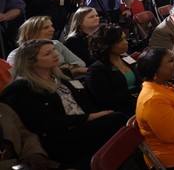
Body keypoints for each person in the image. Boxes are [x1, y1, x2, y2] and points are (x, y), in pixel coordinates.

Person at [1, 39, 126, 168]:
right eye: (48, 53)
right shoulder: (21, 89)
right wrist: (91, 117)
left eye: (54, 50)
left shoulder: (62, 75)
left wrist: (98, 114)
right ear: (31, 62)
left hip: (83, 124)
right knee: (117, 120)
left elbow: (84, 102)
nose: (55, 54)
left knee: (119, 119)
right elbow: (44, 123)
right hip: (59, 136)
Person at [84, 24, 140, 115]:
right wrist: (136, 90)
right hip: (121, 110)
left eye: (125, 38)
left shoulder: (126, 59)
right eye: (119, 41)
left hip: (137, 101)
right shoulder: (96, 71)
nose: (125, 42)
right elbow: (107, 99)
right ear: (107, 44)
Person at [7, 16, 87, 77]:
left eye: (51, 26)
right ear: (31, 32)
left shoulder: (56, 44)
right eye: (46, 27)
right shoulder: (17, 54)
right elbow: (26, 77)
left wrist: (65, 67)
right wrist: (73, 70)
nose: (52, 29)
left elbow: (81, 63)